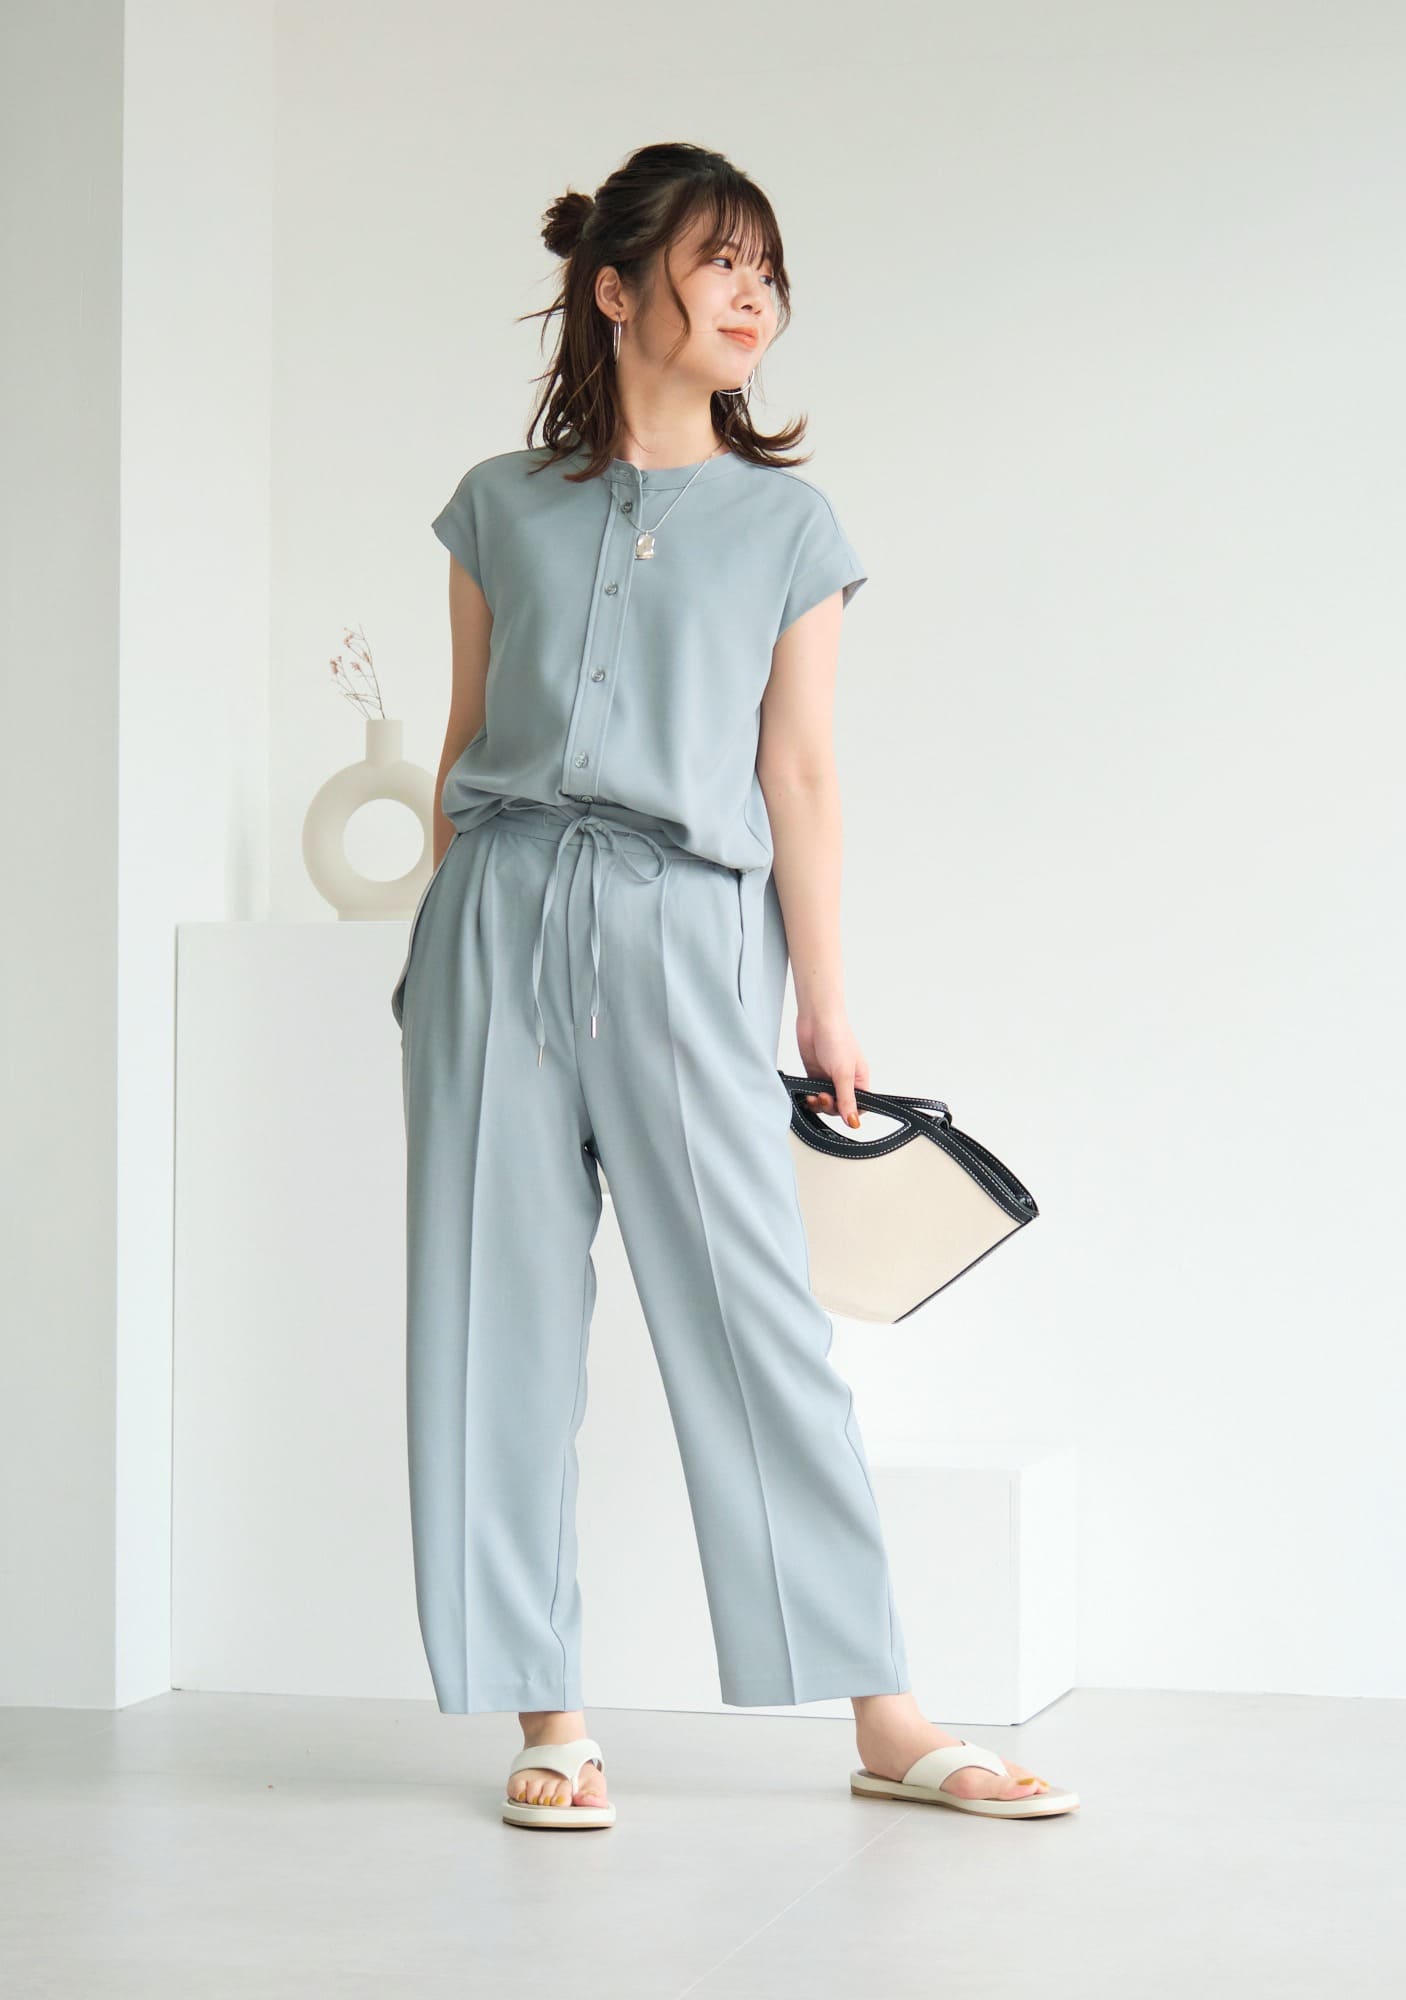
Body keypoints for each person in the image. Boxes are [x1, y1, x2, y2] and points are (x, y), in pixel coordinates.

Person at [392, 141, 1078, 1828]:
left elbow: (801, 776)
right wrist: (442, 946)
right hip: (495, 923)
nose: (754, 294)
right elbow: (466, 741)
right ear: (617, 289)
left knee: (754, 1324)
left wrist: (825, 1003)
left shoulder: (788, 526)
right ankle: (550, 1719)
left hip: (685, 932)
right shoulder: (496, 506)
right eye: (718, 262)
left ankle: (887, 1717)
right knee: (492, 1324)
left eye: (768, 269)